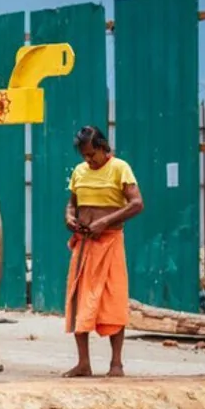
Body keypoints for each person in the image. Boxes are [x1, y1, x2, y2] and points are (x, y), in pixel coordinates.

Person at [64, 125, 143, 378]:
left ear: (102, 147)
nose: (88, 159)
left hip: (110, 243)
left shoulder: (120, 168)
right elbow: (71, 203)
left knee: (112, 300)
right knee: (78, 300)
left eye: (91, 154)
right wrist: (68, 216)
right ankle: (83, 363)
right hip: (84, 243)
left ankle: (116, 364)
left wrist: (105, 222)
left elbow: (137, 204)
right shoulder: (79, 172)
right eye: (84, 156)